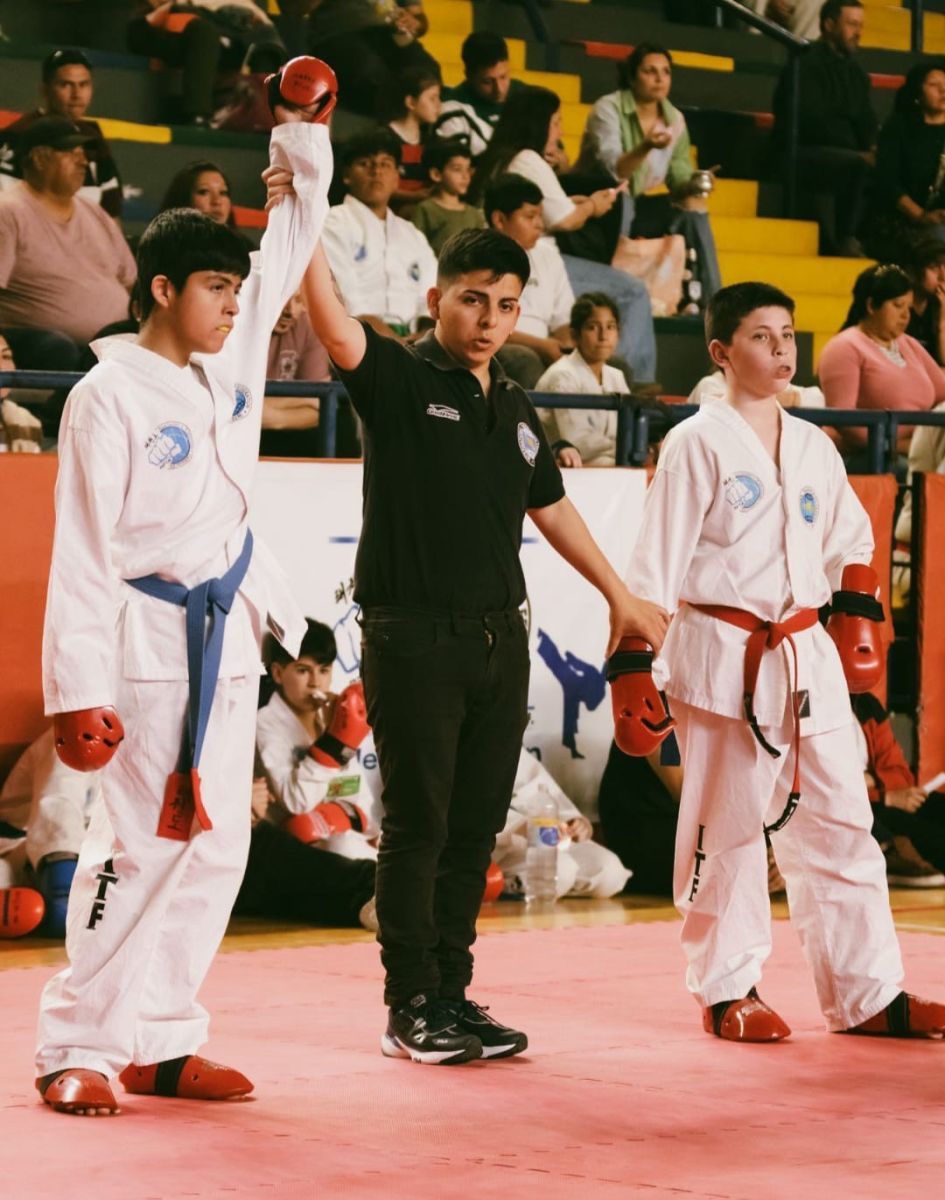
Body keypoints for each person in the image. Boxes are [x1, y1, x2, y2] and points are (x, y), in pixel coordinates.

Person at [289, 216, 670, 1066]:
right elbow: (333, 320)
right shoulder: (395, 375)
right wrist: (304, 216)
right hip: (413, 636)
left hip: (502, 642)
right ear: (435, 301)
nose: (489, 319)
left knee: (472, 829)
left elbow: (552, 508)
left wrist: (620, 596)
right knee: (418, 827)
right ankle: (406, 1006)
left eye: (504, 305)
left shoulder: (516, 405)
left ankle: (451, 997)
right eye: (471, 301)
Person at [33, 67, 335, 1117]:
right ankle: (77, 1042)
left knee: (219, 841)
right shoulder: (106, 396)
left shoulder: (231, 360)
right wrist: (76, 691)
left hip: (229, 631)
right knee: (140, 838)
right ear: (163, 290)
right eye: (216, 289)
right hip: (143, 638)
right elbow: (81, 549)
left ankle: (162, 1037)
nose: (234, 307)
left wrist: (302, 135)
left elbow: (294, 239)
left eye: (236, 293)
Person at [623, 278, 945, 1043]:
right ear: (720, 352)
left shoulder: (809, 443)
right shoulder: (694, 443)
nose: (779, 350)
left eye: (787, 336)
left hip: (806, 655)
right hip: (724, 655)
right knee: (727, 827)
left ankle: (868, 992)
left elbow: (850, 546)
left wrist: (858, 609)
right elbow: (653, 569)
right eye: (761, 337)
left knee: (843, 822)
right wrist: (637, 663)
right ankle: (726, 988)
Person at [470, 86, 658, 384]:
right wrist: (595, 205)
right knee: (634, 291)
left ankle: (627, 393)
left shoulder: (502, 158)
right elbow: (565, 218)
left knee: (606, 361)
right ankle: (644, 384)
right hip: (514, 326)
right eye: (556, 121)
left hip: (542, 260)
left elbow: (554, 209)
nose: (559, 130)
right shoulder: (527, 158)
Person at [576, 43, 721, 300]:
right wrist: (645, 146)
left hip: (635, 205)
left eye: (666, 72)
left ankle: (714, 300)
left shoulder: (674, 119)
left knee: (692, 206)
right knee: (625, 201)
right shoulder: (607, 108)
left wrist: (697, 183)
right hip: (595, 201)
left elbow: (678, 180)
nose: (659, 79)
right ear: (632, 77)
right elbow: (614, 173)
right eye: (650, 71)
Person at [0, 117, 136, 371]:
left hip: (108, 345)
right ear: (39, 158)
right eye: (71, 152)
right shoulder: (8, 212)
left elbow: (132, 283)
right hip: (44, 344)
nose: (83, 160)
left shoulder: (95, 212)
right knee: (58, 347)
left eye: (83, 152)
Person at [256, 620, 380, 863]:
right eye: (303, 670)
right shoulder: (265, 725)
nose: (316, 682)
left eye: (323, 670)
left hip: (339, 842)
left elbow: (356, 792)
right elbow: (297, 803)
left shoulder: (331, 716)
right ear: (278, 673)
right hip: (292, 857)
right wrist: (335, 742)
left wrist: (350, 818)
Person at [771, 0, 876, 257]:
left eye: (860, 25)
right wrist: (861, 153)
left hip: (846, 152)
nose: (858, 32)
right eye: (851, 24)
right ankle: (846, 239)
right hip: (804, 151)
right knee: (858, 164)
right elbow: (808, 121)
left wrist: (874, 147)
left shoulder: (857, 73)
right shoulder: (804, 63)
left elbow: (866, 119)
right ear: (829, 25)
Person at [818, 263, 945, 474]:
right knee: (917, 473)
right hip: (863, 456)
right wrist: (892, 445)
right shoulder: (845, 347)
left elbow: (942, 392)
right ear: (871, 305)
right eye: (897, 306)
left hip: (914, 449)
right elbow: (843, 421)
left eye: (909, 308)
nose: (906, 316)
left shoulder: (908, 344)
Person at [321, 129, 438, 340]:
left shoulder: (412, 234)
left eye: (385, 164)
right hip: (356, 338)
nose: (377, 171)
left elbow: (431, 292)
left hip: (415, 341)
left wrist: (425, 335)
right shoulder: (333, 222)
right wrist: (396, 345)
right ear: (346, 175)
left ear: (396, 178)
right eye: (365, 164)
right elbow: (344, 299)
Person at [0, 48, 124, 218]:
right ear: (44, 90)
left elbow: (111, 212)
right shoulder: (18, 134)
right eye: (66, 85)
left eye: (83, 84)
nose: (77, 94)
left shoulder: (93, 136)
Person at [0, 728, 100, 938]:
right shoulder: (78, 731)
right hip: (15, 848)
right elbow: (60, 800)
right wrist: (62, 878)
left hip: (89, 869)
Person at [493, 748, 630, 899]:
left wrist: (575, 823)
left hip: (545, 838)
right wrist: (519, 827)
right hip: (494, 846)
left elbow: (544, 792)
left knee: (609, 871)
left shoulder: (507, 744)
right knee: (560, 870)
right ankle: (505, 886)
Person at [484, 174, 574, 388]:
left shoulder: (548, 255)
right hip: (498, 345)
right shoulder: (479, 254)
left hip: (547, 347)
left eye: (540, 216)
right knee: (524, 360)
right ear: (499, 220)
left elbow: (564, 321)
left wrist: (570, 350)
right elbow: (485, 325)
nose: (540, 225)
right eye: (530, 216)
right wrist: (542, 346)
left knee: (611, 366)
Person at [853, 692, 945, 887]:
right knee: (933, 837)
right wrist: (885, 796)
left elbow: (900, 773)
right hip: (859, 808)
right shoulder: (808, 706)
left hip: (884, 796)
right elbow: (823, 787)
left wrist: (871, 781)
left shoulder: (866, 705)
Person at [534, 292, 630, 467]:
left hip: (609, 460)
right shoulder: (562, 375)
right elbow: (577, 441)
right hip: (566, 466)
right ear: (575, 335)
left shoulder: (616, 376)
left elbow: (628, 429)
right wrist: (628, 447)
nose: (603, 336)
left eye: (610, 327)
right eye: (593, 327)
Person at [864, 60, 945, 263]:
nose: (943, 90)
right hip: (899, 222)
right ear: (918, 93)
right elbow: (887, 181)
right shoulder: (899, 127)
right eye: (934, 85)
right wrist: (920, 215)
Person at [307, 0, 438, 119]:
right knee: (373, 73)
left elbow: (420, 19)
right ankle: (386, 134)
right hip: (337, 32)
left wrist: (414, 22)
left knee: (429, 71)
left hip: (390, 31)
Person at [260, 291, 329, 457]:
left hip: (288, 442)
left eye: (298, 300)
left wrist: (265, 413)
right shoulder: (236, 323)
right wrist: (299, 401)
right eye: (283, 297)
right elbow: (226, 407)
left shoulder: (311, 326)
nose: (290, 310)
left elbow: (320, 409)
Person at [435, 32, 525, 159]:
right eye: (487, 82)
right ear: (468, 75)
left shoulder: (526, 96)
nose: (499, 89)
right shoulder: (454, 108)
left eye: (503, 77)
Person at [410, 137, 485, 256]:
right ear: (436, 174)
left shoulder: (474, 214)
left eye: (468, 170)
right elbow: (414, 248)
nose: (465, 176)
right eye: (457, 169)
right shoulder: (426, 209)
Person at [381, 64, 442, 208]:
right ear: (411, 102)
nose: (439, 105)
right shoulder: (384, 138)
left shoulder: (431, 142)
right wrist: (414, 196)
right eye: (432, 99)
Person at [906, 238, 945, 365]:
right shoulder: (898, 304)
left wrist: (943, 321)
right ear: (914, 272)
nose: (942, 276)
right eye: (934, 268)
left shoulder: (939, 304)